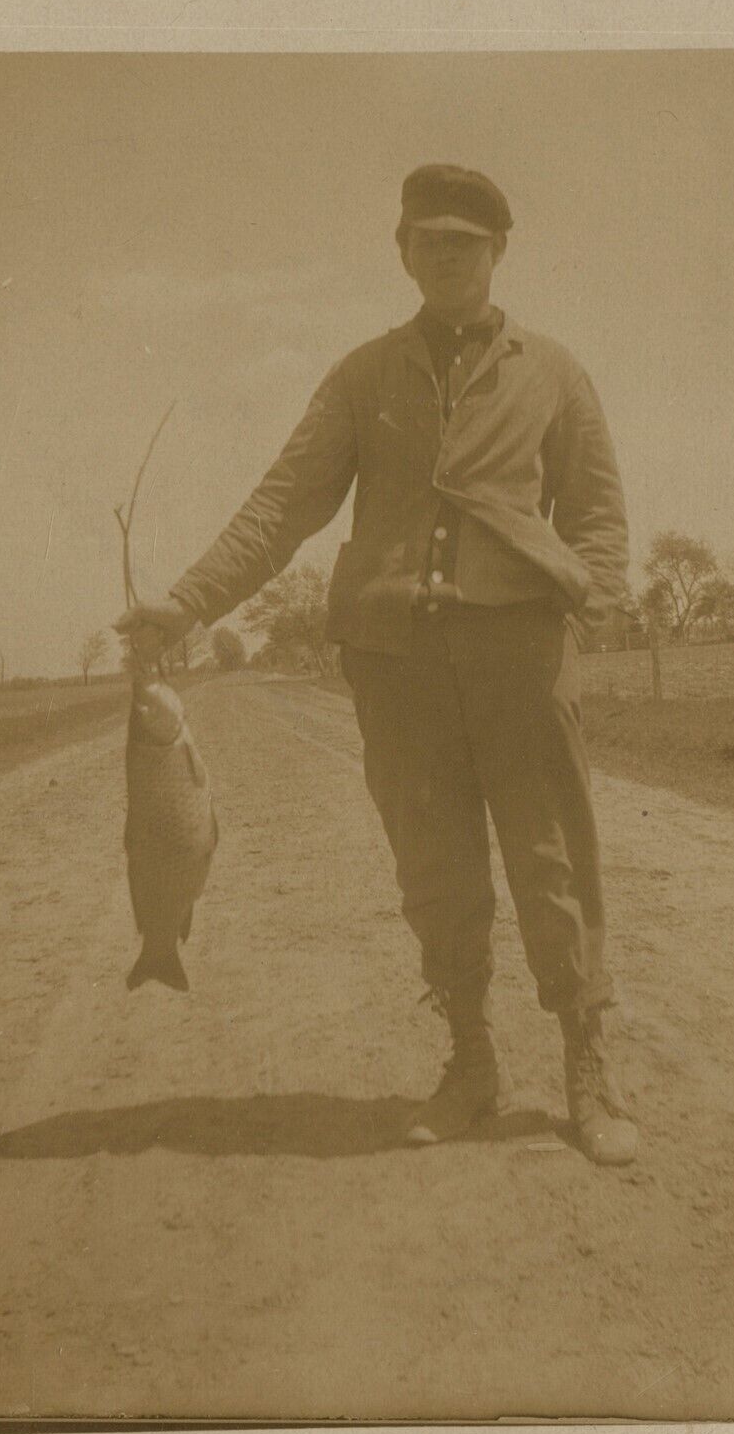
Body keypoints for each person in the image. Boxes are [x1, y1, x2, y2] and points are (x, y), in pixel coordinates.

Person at [115, 163, 637, 1165]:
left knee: (549, 862)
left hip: (519, 659)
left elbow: (599, 519)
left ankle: (588, 1062)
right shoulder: (361, 376)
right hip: (396, 668)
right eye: (427, 241)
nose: (446, 257)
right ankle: (470, 1062)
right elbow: (280, 507)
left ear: (497, 254)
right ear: (402, 253)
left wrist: (585, 617)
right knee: (434, 869)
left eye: (466, 243)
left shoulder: (554, 373)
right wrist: (182, 604)